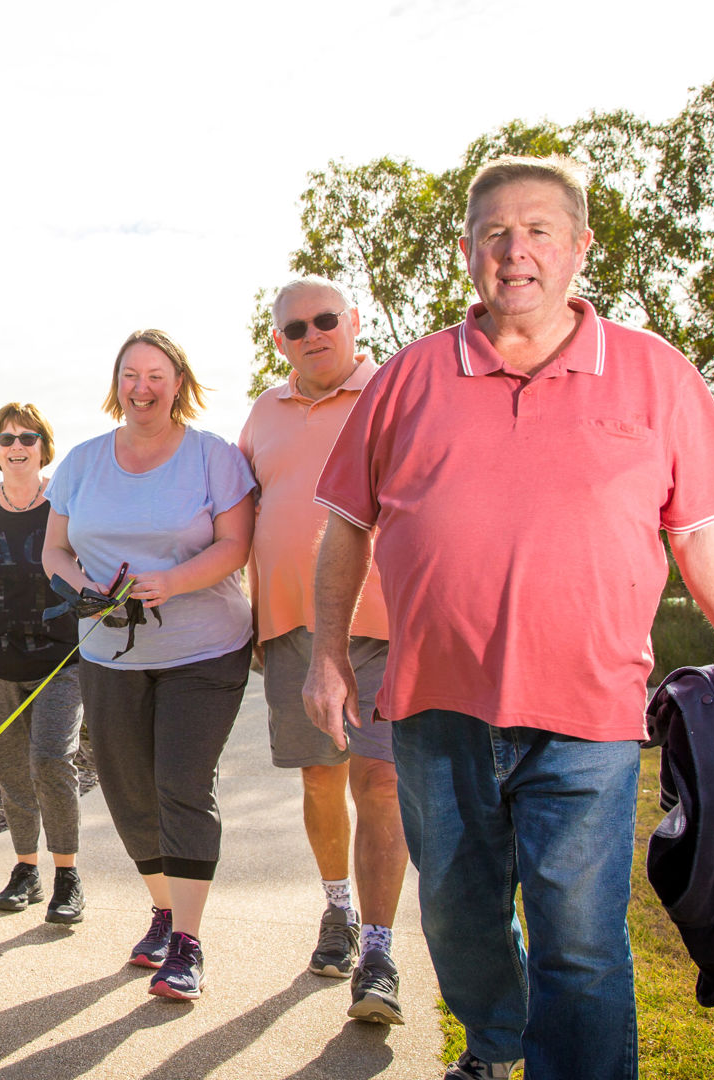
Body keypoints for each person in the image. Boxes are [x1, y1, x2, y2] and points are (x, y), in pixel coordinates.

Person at [306, 155, 714, 1080]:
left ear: (579, 247)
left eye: (538, 231)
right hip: (435, 710)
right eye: (493, 233)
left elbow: (707, 540)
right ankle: (493, 1046)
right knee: (458, 921)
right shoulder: (406, 379)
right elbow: (344, 529)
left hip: (589, 715)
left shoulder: (656, 375)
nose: (514, 252)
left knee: (582, 942)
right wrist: (326, 654)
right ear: (469, 249)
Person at [43, 328, 257, 1001]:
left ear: (178, 383)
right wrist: (81, 590)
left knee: (181, 784)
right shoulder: (81, 461)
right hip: (109, 653)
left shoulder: (213, 456)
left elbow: (236, 545)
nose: (142, 386)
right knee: (128, 788)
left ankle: (188, 944)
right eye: (130, 374)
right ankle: (163, 910)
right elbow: (54, 550)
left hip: (205, 649)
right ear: (117, 384)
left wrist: (176, 582)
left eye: (156, 374)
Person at [239, 275, 409, 1025]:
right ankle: (335, 910)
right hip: (290, 628)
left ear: (354, 322)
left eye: (324, 321)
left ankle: (378, 950)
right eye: (294, 328)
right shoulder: (262, 415)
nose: (311, 335)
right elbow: (243, 515)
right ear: (279, 341)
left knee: (380, 782)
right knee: (319, 781)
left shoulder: (396, 392)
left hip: (384, 622)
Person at [0, 401, 85, 924]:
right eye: (6, 438)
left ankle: (68, 876)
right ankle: (25, 870)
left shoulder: (66, 505)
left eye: (28, 437)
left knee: (51, 761)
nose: (17, 446)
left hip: (60, 659)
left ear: (44, 446)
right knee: (11, 768)